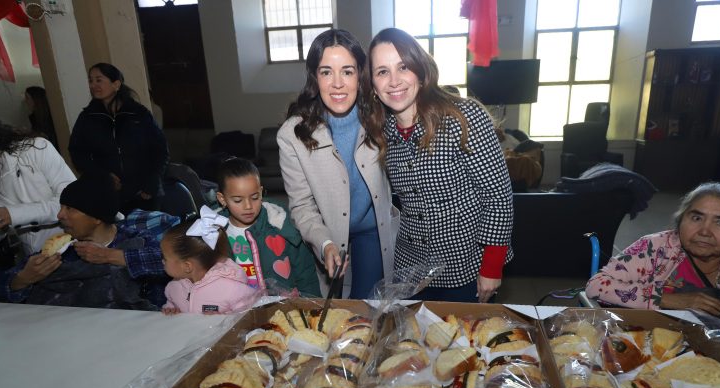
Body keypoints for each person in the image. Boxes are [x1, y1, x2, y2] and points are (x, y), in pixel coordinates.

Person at [367, 27, 514, 303]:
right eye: (382, 71)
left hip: (463, 266)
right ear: (373, 85)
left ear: (421, 73)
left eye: (403, 67)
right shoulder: (381, 130)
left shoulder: (462, 116)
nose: (394, 80)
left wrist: (492, 266)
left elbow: (498, 196)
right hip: (410, 268)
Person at [277, 28, 396, 299]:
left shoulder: (381, 118)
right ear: (314, 78)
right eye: (326, 72)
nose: (338, 83)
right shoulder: (292, 134)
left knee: (365, 311)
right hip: (326, 234)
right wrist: (325, 243)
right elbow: (302, 206)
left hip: (371, 231)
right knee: (333, 315)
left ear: (360, 75)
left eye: (347, 71)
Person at [586, 182, 720, 315]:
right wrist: (666, 299)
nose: (704, 231)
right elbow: (597, 286)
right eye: (696, 218)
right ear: (681, 220)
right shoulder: (654, 249)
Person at [0, 176, 167, 310]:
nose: (59, 215)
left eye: (70, 209)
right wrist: (22, 280)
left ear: (96, 217)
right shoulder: (62, 249)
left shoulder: (136, 240)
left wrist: (113, 256)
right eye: (61, 207)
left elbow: (173, 264)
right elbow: (2, 286)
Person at [68, 63, 168, 214]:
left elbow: (160, 150)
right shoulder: (87, 118)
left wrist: (152, 181)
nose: (93, 85)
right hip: (109, 194)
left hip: (145, 193)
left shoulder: (138, 114)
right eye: (90, 81)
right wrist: (101, 175)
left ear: (116, 84)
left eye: (99, 80)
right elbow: (77, 152)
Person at [215, 157, 321, 297]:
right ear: (222, 199)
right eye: (238, 200)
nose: (248, 206)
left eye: (254, 197)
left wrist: (312, 304)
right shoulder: (213, 232)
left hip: (281, 308)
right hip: (235, 309)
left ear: (261, 191)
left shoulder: (281, 226)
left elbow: (305, 272)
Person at [0, 120, 76, 256]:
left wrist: (12, 214)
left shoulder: (36, 148)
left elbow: (73, 203)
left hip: (74, 244)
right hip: (36, 258)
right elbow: (1, 231)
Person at [161, 207, 259, 314]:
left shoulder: (232, 290)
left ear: (187, 266)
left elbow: (253, 315)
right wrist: (171, 309)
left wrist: (224, 318)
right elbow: (173, 302)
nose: (162, 261)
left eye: (165, 258)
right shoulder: (175, 286)